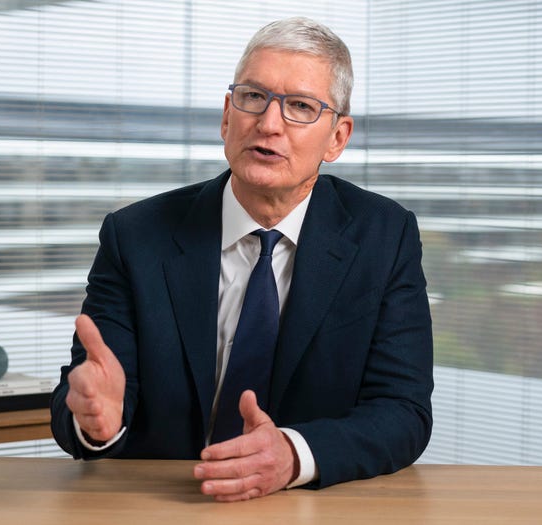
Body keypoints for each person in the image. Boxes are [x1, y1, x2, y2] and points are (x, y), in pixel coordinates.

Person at [50, 16, 433, 502]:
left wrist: (293, 455)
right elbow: (86, 397)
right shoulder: (136, 236)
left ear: (337, 138)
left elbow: (403, 411)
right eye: (253, 97)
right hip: (159, 504)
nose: (269, 123)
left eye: (299, 106)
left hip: (307, 506)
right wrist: (96, 423)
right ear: (227, 117)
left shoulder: (385, 236)